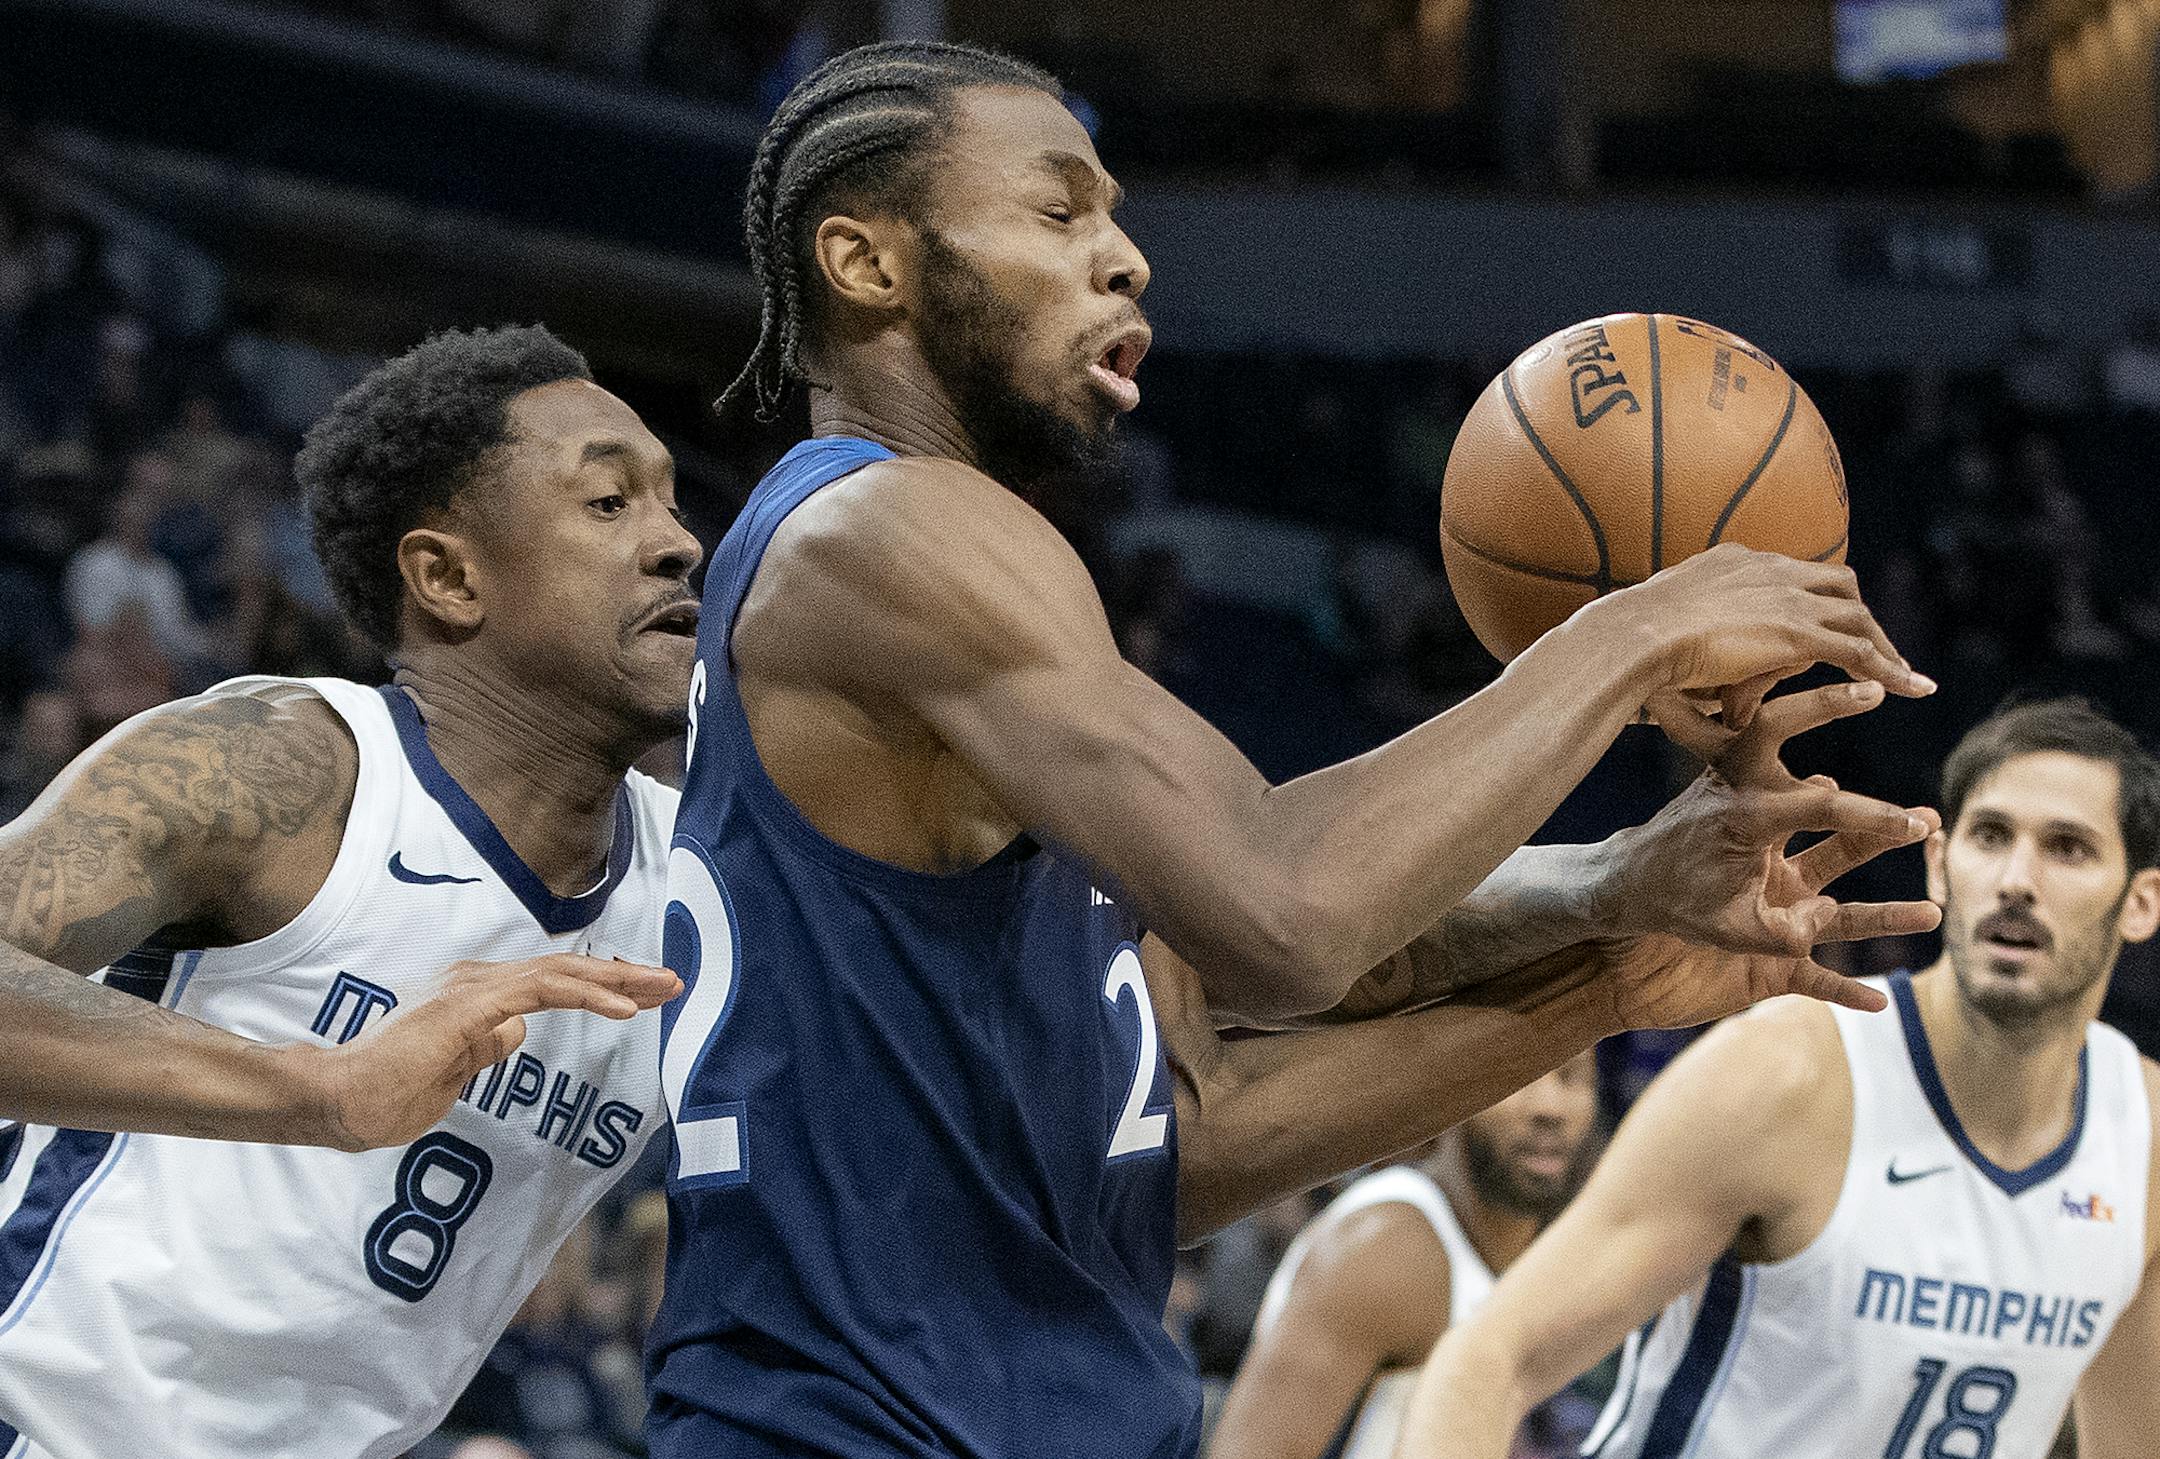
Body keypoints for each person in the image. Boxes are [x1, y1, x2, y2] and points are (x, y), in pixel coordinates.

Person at [647, 39, 1940, 1459]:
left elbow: (1182, 1131)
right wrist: (1632, 630)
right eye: (1060, 210)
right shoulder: (882, 534)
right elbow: (1292, 916)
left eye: (1119, 215)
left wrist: (1614, 933)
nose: (1126, 258)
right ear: (865, 260)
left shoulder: (951, 600)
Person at [0, 325, 691, 1458]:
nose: (677, 543)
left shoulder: (697, 889)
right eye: (610, 503)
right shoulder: (286, 770)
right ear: (450, 576)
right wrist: (322, 1090)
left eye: (670, 502)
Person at [1395, 697, 2160, 1459]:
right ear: (1939, 866)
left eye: (2068, 848)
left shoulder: (2146, 1138)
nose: (2017, 878)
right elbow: (1489, 1359)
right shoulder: (1787, 1075)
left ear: (2141, 901)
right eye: (1990, 836)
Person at [1210, 1052, 1601, 1459]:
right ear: (1456, 1094)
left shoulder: (1554, 1246)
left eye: (1572, 1077)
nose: (1549, 1107)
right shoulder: (1382, 1251)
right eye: (1523, 1076)